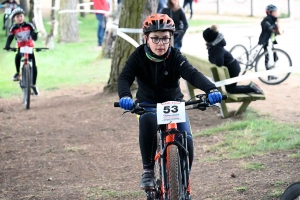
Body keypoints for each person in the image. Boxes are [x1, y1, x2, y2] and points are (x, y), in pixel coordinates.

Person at [117, 13, 222, 199]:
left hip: (174, 104)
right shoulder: (138, 56)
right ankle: (148, 171)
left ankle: (183, 182)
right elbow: (125, 77)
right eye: (155, 38)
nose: (160, 43)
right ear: (146, 38)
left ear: (170, 39)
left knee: (187, 139)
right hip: (147, 105)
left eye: (165, 38)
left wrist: (211, 89)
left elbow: (192, 74)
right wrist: (125, 96)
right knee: (148, 121)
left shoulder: (174, 56)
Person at [203, 25, 264, 94]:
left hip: (232, 68)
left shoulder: (217, 48)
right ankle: (250, 87)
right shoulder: (214, 46)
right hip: (231, 67)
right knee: (230, 89)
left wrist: (211, 60)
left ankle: (251, 87)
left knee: (231, 90)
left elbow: (219, 62)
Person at [4, 7, 39, 95]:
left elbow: (33, 34)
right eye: (17, 17)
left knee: (34, 67)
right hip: (21, 47)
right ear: (14, 19)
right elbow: (10, 37)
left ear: (24, 16)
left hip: (29, 47)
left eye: (21, 16)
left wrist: (34, 35)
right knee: (18, 56)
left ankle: (33, 85)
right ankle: (17, 72)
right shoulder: (13, 28)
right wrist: (7, 45)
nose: (20, 18)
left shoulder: (29, 25)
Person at [258, 4, 283, 81]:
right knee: (268, 59)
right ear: (269, 12)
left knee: (274, 58)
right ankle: (269, 75)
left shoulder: (273, 20)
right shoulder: (266, 20)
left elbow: (275, 31)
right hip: (266, 42)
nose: (276, 13)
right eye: (274, 12)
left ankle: (272, 74)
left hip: (271, 42)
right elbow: (269, 28)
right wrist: (276, 26)